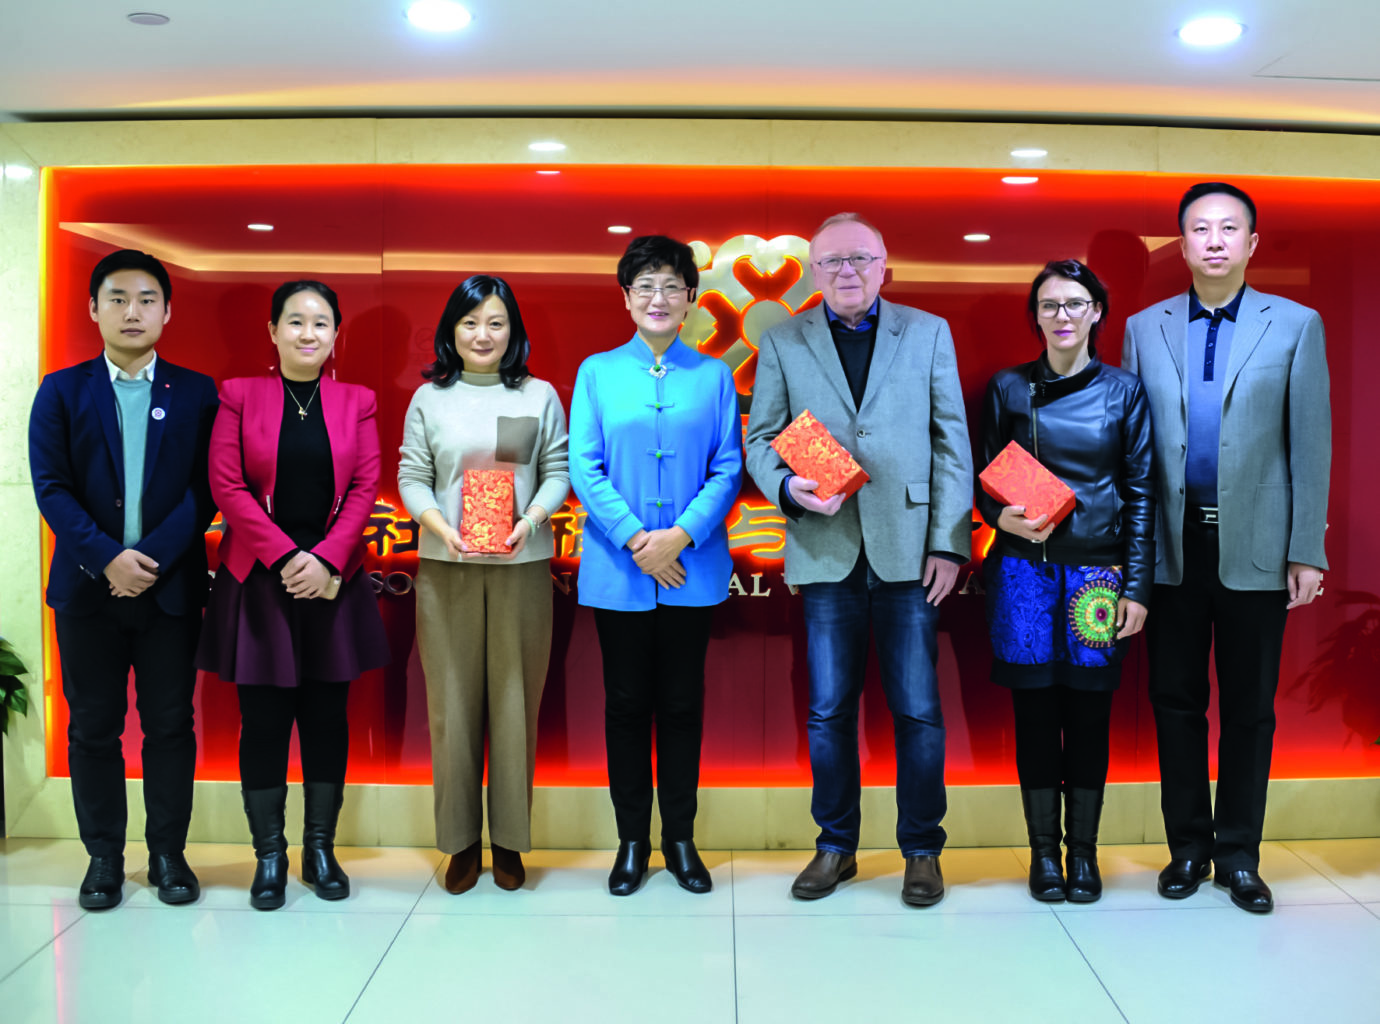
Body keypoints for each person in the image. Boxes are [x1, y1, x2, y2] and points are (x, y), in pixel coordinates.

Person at [745, 213, 973, 906]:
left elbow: (950, 442)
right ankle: (835, 845)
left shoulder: (928, 332)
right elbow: (761, 436)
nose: (847, 272)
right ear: (814, 273)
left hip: (910, 551)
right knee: (827, 710)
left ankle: (922, 850)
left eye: (860, 260)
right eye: (832, 262)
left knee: (919, 711)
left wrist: (949, 542)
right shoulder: (783, 340)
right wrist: (787, 487)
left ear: (884, 267)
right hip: (825, 547)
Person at [1123, 182, 1330, 914]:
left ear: (1251, 244)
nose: (1214, 240)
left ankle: (1240, 854)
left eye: (1228, 229)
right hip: (1170, 548)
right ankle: (1188, 847)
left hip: (1259, 547)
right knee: (1174, 702)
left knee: (1249, 707)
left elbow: (1310, 442)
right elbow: (1135, 447)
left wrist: (1307, 548)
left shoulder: (1296, 324)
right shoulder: (1144, 327)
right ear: (1181, 246)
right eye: (1199, 230)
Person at [29, 249, 219, 910]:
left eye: (145, 299)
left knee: (170, 725)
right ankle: (104, 857)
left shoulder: (198, 393)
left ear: (168, 310)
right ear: (93, 309)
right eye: (117, 298)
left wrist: (153, 560)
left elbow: (206, 490)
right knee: (93, 727)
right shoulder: (62, 389)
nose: (131, 311)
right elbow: (50, 488)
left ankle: (168, 854)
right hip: (86, 592)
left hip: (169, 593)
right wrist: (106, 557)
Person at [196, 280, 388, 910]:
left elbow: (365, 487)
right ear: (273, 331)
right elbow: (227, 485)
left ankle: (321, 847)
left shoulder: (355, 401)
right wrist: (287, 558)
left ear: (336, 335)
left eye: (322, 323)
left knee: (329, 719)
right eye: (296, 322)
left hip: (334, 583)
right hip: (261, 582)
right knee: (264, 723)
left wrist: (328, 560)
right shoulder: (239, 397)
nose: (309, 334)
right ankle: (271, 855)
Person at [569, 235, 743, 896]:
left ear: (692, 298)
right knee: (624, 704)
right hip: (620, 569)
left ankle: (680, 839)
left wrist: (683, 535)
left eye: (671, 285)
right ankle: (633, 842)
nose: (658, 298)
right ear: (625, 297)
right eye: (644, 285)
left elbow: (727, 467)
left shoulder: (714, 375)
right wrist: (640, 540)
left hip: (691, 571)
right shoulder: (597, 371)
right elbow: (585, 465)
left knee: (680, 705)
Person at [978, 259, 1154, 903]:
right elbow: (981, 475)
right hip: (1025, 573)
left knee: (1089, 717)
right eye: (1050, 306)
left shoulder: (1124, 392)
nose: (1062, 317)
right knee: (1033, 716)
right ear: (1036, 317)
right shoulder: (1006, 388)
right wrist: (1000, 516)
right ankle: (1043, 857)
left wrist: (1138, 587)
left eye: (1075, 304)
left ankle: (1084, 854)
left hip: (1098, 578)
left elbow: (1141, 493)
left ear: (1097, 313)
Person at [399, 276, 569, 895]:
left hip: (522, 569)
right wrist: (439, 527)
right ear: (451, 330)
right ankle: (460, 842)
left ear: (513, 331)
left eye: (496, 323)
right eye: (471, 322)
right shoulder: (429, 399)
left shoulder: (539, 394)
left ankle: (511, 843)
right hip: (446, 570)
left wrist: (530, 521)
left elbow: (558, 470)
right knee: (451, 706)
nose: (483, 335)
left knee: (515, 703)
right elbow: (412, 476)